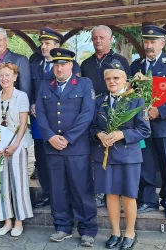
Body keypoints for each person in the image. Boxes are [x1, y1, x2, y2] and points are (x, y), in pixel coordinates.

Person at [35, 48, 98, 247]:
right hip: (53, 147)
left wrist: (68, 138)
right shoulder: (45, 86)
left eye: (63, 64)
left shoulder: (84, 84)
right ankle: (62, 226)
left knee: (81, 189)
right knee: (57, 189)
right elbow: (41, 115)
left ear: (71, 65)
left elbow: (87, 114)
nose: (59, 68)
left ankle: (87, 229)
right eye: (56, 64)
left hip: (77, 147)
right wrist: (50, 137)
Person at [90, 61, 151, 249]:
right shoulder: (99, 101)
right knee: (111, 194)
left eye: (116, 78)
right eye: (108, 79)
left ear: (125, 80)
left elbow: (144, 130)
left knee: (128, 195)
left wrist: (122, 134)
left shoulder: (136, 100)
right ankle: (115, 232)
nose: (112, 81)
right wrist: (99, 134)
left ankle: (130, 233)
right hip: (106, 155)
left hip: (128, 156)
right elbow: (92, 126)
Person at [131, 25, 166, 219]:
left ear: (162, 43)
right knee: (146, 164)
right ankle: (147, 200)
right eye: (146, 42)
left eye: (153, 42)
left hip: (165, 124)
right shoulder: (136, 66)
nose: (149, 45)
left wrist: (159, 111)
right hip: (143, 126)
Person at [29, 27, 81, 208]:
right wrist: (31, 104)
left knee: (62, 156)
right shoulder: (35, 62)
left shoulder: (70, 65)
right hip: (39, 119)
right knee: (42, 156)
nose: (44, 47)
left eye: (47, 43)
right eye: (42, 43)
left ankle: (64, 194)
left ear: (57, 45)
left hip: (61, 120)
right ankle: (47, 193)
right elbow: (29, 87)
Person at [81, 25, 130, 208]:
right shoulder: (86, 64)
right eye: (95, 38)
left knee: (119, 154)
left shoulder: (121, 60)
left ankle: (123, 195)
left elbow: (130, 87)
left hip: (118, 112)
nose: (98, 41)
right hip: (94, 113)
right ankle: (100, 192)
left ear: (110, 39)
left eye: (102, 37)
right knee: (97, 153)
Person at [0, 62, 33, 237]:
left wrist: (14, 145)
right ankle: (6, 220)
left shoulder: (21, 97)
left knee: (18, 183)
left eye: (8, 75)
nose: (4, 78)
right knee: (0, 184)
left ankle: (19, 222)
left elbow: (23, 124)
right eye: (1, 76)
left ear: (15, 77)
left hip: (17, 146)